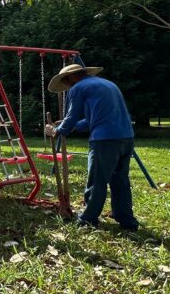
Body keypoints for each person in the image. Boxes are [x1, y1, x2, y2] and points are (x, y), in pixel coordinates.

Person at [45, 63, 138, 232]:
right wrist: (67, 126)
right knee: (120, 181)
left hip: (104, 140)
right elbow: (91, 120)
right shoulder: (108, 84)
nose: (67, 85)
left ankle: (88, 219)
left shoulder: (78, 88)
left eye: (66, 81)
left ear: (70, 77)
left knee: (97, 181)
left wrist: (57, 130)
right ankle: (127, 221)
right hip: (126, 137)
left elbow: (72, 116)